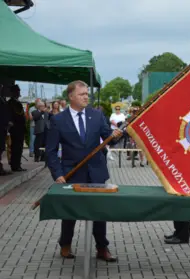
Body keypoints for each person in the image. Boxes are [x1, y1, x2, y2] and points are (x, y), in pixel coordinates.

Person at [46, 80, 122, 261]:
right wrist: (58, 174)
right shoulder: (58, 120)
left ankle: (102, 248)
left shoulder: (96, 116)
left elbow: (108, 139)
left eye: (87, 94)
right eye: (82, 94)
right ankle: (65, 244)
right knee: (70, 212)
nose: (86, 97)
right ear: (71, 97)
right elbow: (50, 151)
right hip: (71, 173)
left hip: (96, 171)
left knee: (99, 211)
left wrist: (116, 135)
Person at [7, 85, 26, 172]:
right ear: (13, 92)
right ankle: (15, 165)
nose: (18, 93)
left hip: (19, 128)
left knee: (18, 147)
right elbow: (13, 115)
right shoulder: (11, 103)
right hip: (15, 128)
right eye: (17, 91)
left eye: (18, 91)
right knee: (16, 147)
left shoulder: (16, 102)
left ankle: (17, 164)